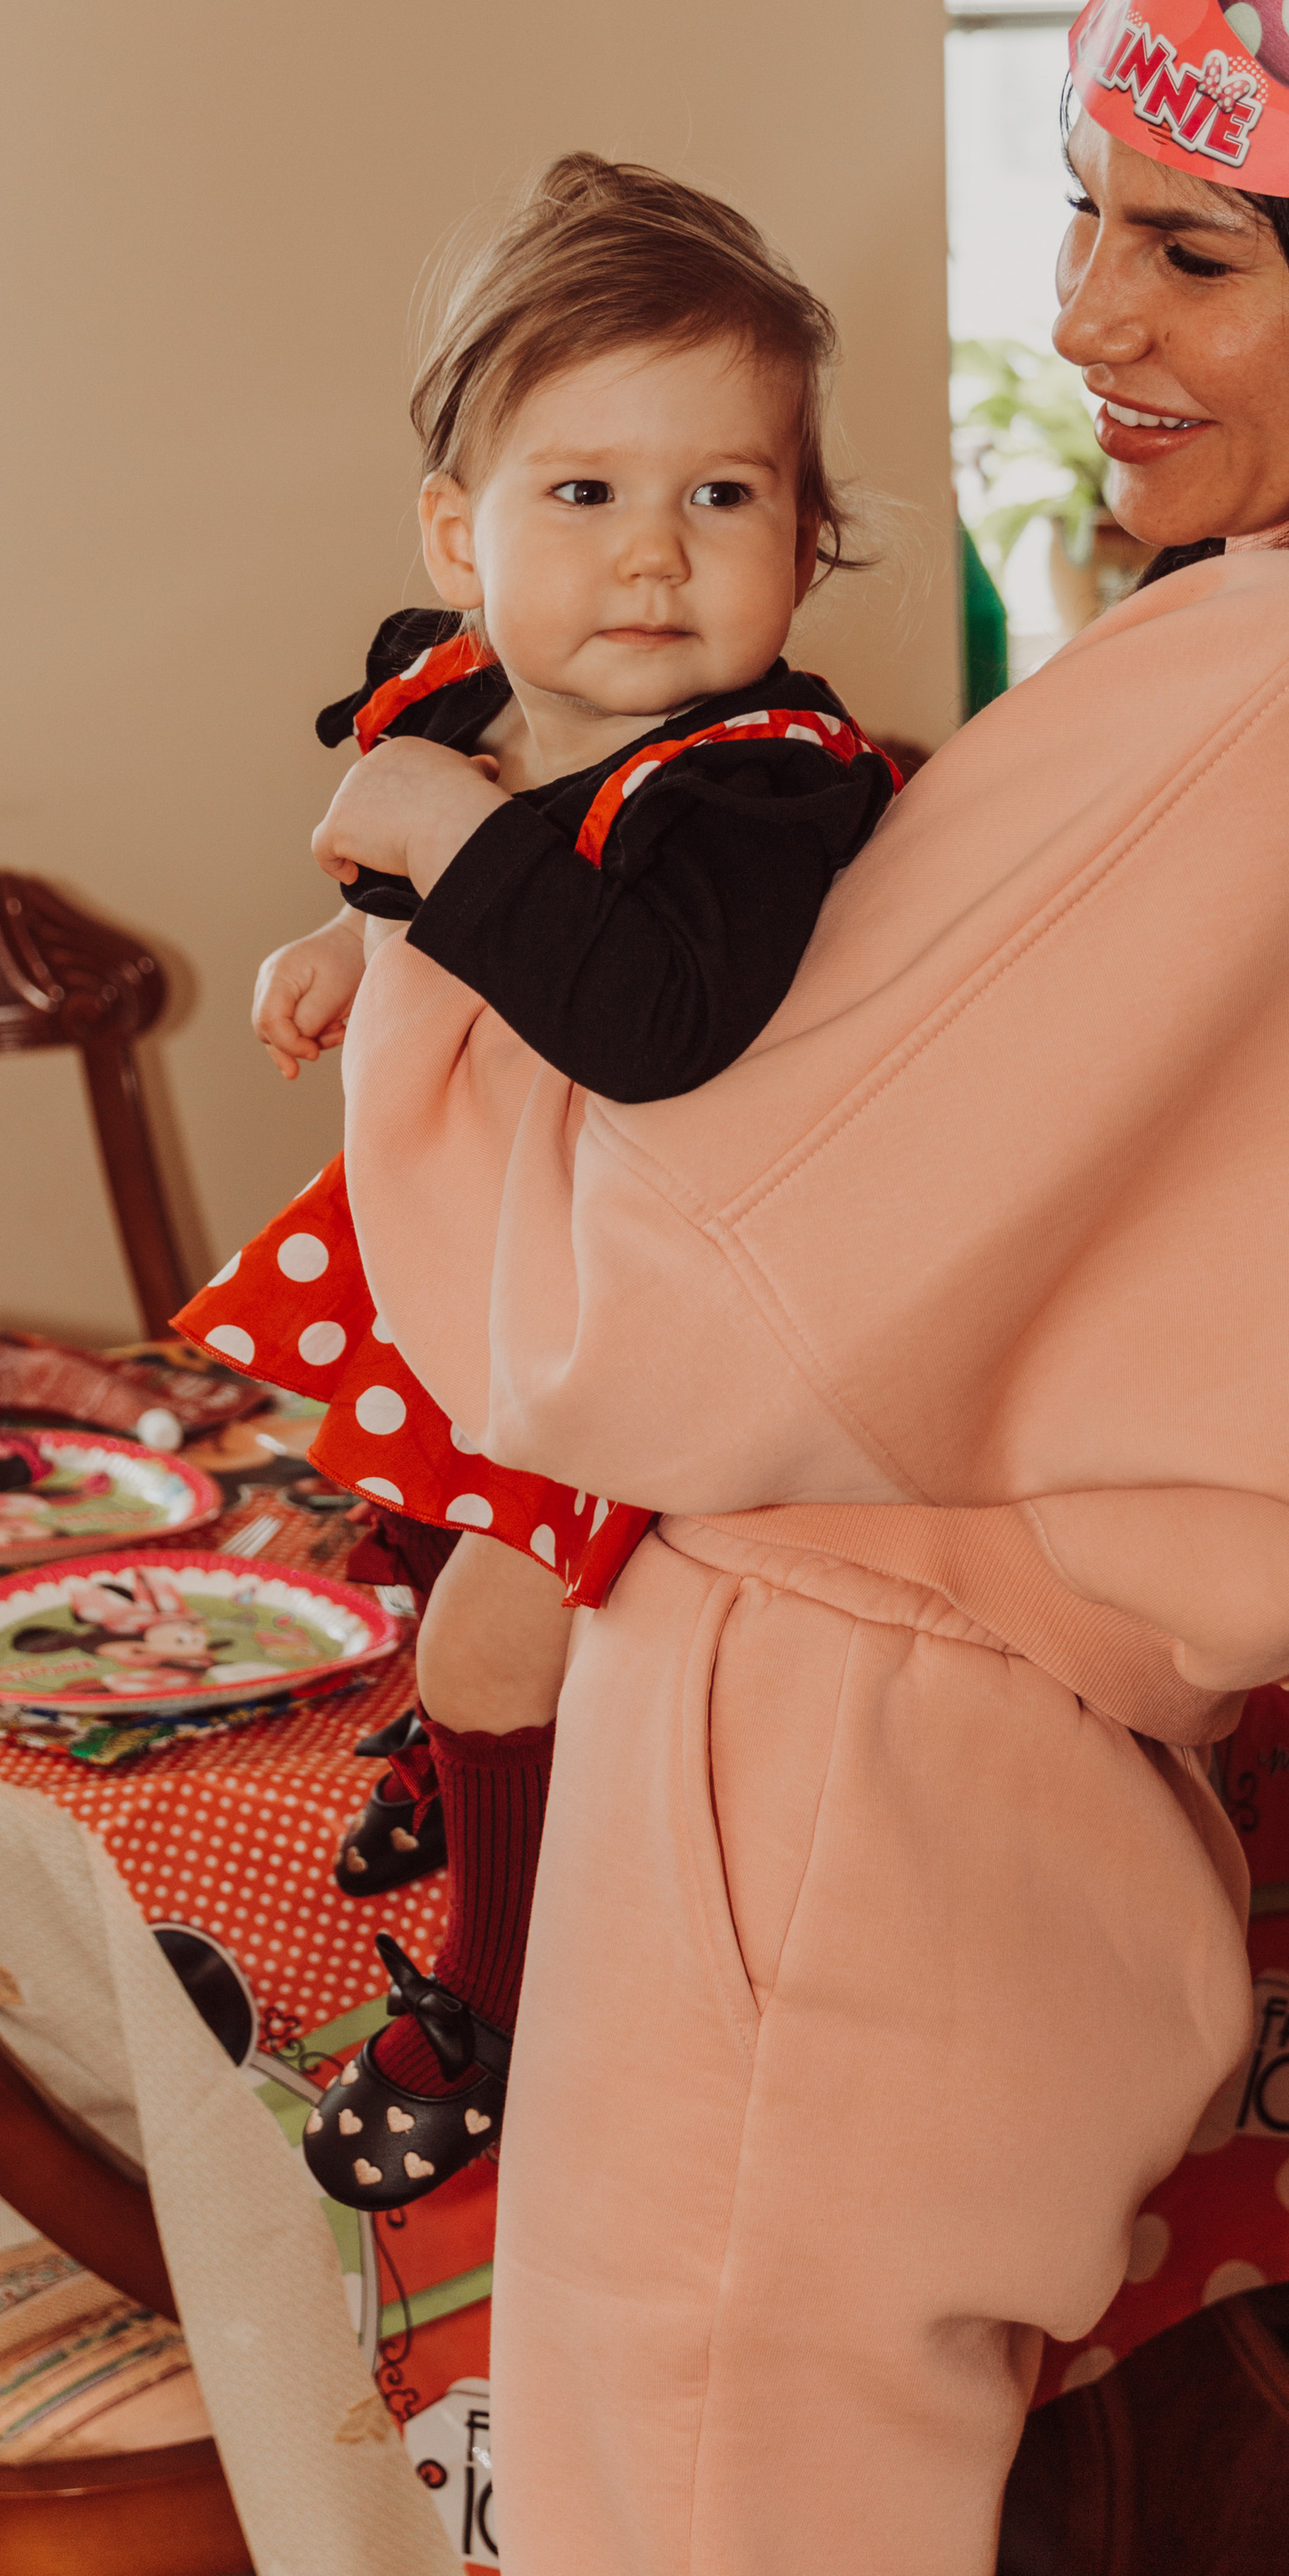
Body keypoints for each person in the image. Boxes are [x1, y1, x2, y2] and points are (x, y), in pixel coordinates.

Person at [324, 0, 1289, 2576]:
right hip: (978, 1780)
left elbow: (643, 1316)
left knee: (708, 2533)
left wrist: (429, 957)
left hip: (846, 1784)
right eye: (1088, 219)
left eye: (1185, 253)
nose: (1078, 324)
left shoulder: (1286, 676)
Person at [174, 155, 900, 2205]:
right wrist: (352, 933)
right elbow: (449, 890)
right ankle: (463, 1756)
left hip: (646, 1311)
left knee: (498, 1632)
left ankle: (504, 2002)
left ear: (808, 533)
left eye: (723, 496)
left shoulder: (759, 789)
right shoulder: (486, 704)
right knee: (400, 1499)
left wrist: (441, 839)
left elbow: (653, 1013)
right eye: (580, 495)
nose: (651, 559)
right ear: (458, 532)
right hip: (476, 1253)